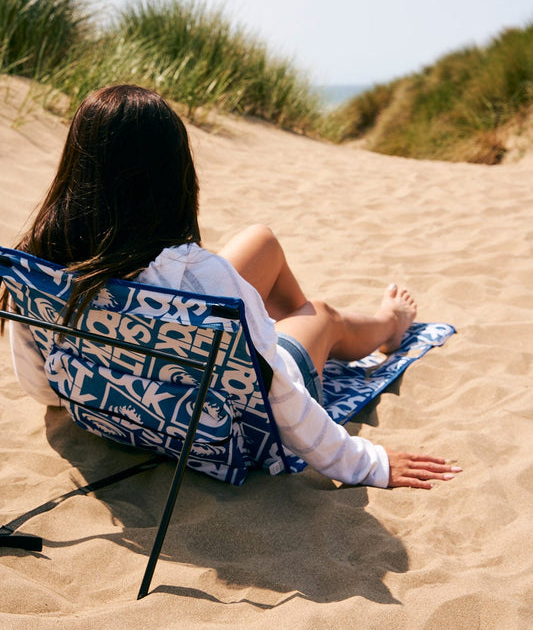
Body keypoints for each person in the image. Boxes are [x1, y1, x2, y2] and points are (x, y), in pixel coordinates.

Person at [2, 84, 461, 489]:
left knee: (260, 242)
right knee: (321, 314)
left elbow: (41, 388)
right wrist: (367, 463)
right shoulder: (202, 277)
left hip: (115, 408)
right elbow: (280, 394)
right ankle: (388, 324)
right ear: (173, 174)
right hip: (225, 433)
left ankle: (271, 325)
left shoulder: (36, 260)